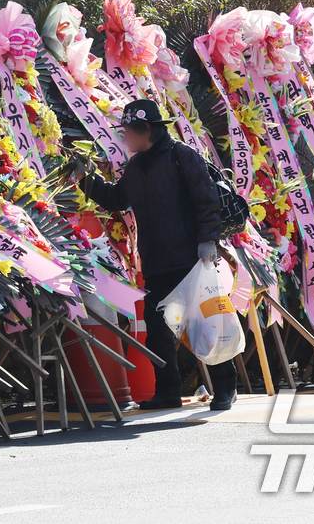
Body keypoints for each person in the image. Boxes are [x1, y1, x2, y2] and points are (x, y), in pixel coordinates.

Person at [65, 98, 238, 411]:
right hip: (158, 266)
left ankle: (225, 387)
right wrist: (84, 176)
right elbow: (115, 198)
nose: (125, 139)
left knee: (205, 325)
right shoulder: (137, 165)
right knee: (159, 332)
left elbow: (207, 200)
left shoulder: (181, 156)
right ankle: (167, 392)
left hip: (191, 262)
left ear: (147, 130)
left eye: (128, 132)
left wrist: (209, 240)